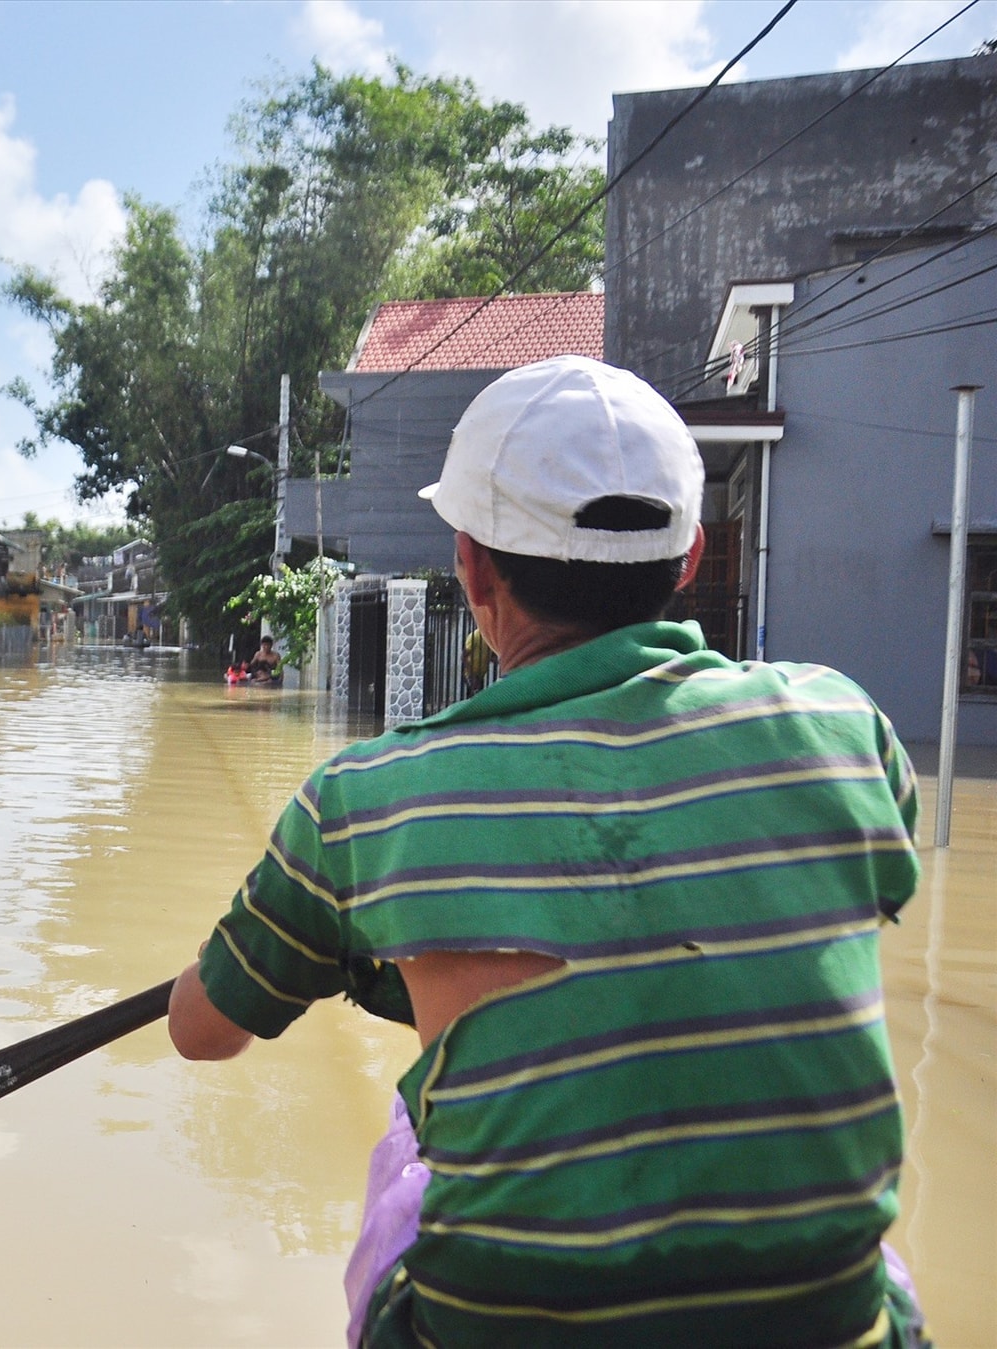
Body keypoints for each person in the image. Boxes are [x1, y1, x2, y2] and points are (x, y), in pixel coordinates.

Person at [168, 356, 927, 1347]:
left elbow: (201, 1030)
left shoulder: (363, 801)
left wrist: (323, 959)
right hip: (828, 1326)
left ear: (472, 567)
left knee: (414, 1140)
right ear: (690, 556)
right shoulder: (844, 727)